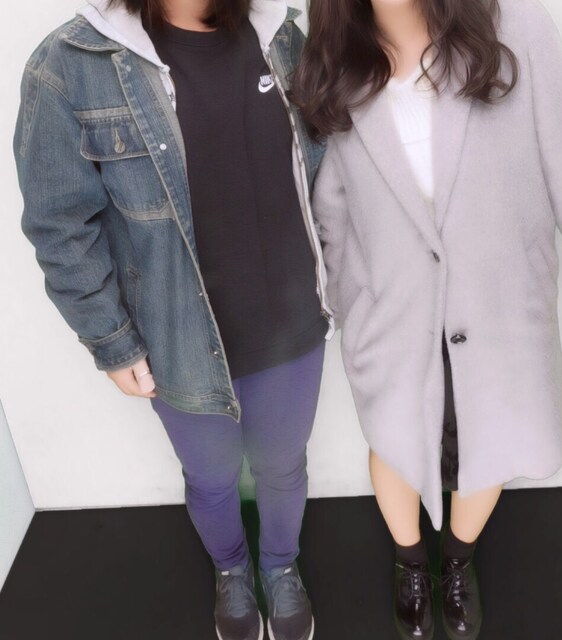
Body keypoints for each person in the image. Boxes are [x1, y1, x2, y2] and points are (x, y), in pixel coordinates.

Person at [293, 0, 562, 639]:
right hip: (392, 316)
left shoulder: (515, 30)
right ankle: (410, 565)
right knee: (394, 440)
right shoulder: (334, 65)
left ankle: (457, 561)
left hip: (499, 307)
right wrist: (347, 304)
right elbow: (331, 207)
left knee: (491, 438)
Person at [14, 1, 332, 639]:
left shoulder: (281, 33)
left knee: (282, 465)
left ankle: (280, 565)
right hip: (177, 335)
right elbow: (59, 226)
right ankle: (232, 569)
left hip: (291, 318)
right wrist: (112, 341)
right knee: (211, 476)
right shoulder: (69, 63)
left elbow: (325, 168)